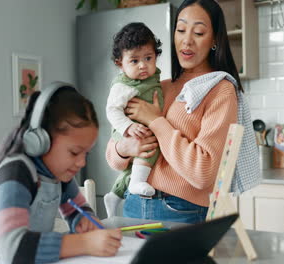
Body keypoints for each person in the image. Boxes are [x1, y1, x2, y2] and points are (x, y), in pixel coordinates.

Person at [105, 0, 257, 224]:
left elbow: (203, 174)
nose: (187, 40)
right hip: (133, 200)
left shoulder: (220, 91)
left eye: (198, 32)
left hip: (178, 209)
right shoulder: (158, 86)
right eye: (181, 30)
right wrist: (124, 148)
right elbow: (113, 157)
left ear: (214, 39)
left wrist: (156, 121)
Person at [0, 82, 122, 263]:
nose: (82, 162)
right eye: (74, 152)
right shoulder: (15, 173)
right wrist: (84, 242)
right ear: (40, 140)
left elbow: (78, 210)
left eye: (86, 153)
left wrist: (85, 221)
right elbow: (12, 248)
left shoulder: (59, 172)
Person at [103, 22, 164, 218]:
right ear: (120, 63)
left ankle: (115, 195)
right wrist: (127, 129)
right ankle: (136, 184)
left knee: (137, 164)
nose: (143, 65)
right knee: (148, 149)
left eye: (148, 58)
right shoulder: (125, 86)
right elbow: (112, 110)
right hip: (127, 130)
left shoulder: (152, 80)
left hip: (139, 129)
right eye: (134, 61)